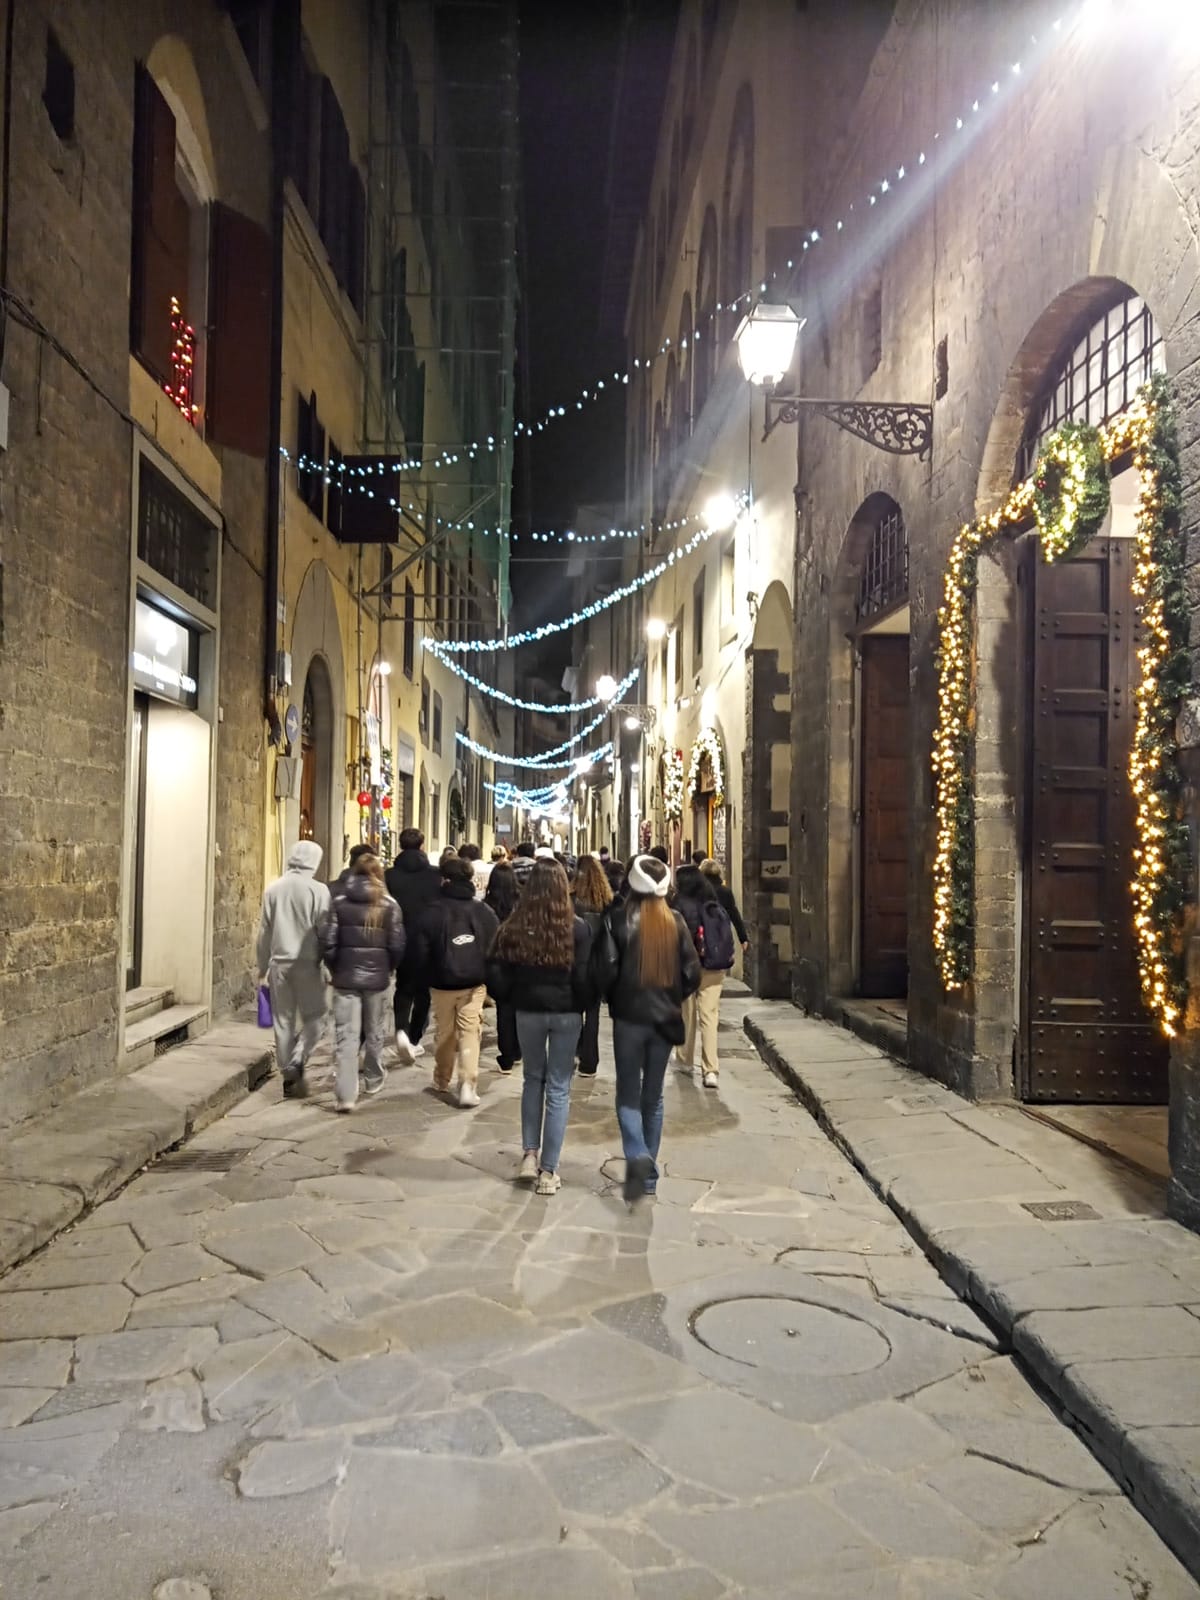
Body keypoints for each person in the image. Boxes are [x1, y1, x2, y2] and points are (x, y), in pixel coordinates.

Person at [486, 860, 593, 1196]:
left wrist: (510, 997)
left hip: (528, 1011)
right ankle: (549, 1171)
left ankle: (529, 1155)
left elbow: (496, 971)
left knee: (533, 1079)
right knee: (559, 1087)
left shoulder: (514, 926)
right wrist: (581, 1004)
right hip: (566, 1013)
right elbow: (585, 976)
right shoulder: (576, 928)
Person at [608, 855, 701, 1201]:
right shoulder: (675, 922)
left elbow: (606, 970)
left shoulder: (618, 920)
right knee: (654, 1097)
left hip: (629, 1021)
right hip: (664, 1021)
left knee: (627, 1096)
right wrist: (673, 996)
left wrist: (615, 998)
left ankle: (638, 1155)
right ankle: (647, 1179)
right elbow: (692, 973)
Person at [320, 854, 405, 1112]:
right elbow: (397, 944)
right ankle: (373, 1078)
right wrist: (388, 968)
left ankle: (346, 1095)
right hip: (377, 978)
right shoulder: (389, 904)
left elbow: (328, 942)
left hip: (345, 978)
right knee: (375, 1029)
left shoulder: (339, 902)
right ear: (379, 874)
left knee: (346, 1035)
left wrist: (336, 968)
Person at [414, 855, 499, 1107]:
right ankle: (467, 1085)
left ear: (444, 880)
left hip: (441, 982)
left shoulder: (432, 911)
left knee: (445, 1032)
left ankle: (442, 1079)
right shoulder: (483, 911)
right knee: (470, 1030)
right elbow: (495, 944)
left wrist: (423, 976)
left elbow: (420, 950)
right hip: (474, 982)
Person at [256, 840, 331, 1098]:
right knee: (316, 1018)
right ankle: (299, 1057)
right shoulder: (319, 890)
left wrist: (262, 966)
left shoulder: (273, 889)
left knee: (283, 1021)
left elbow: (264, 932)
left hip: (279, 964)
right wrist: (327, 963)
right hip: (308, 964)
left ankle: (287, 1073)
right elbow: (325, 931)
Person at [673, 862, 737, 1089]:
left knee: (687, 1015)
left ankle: (685, 1059)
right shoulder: (713, 903)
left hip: (689, 967)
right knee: (709, 1018)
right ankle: (710, 1070)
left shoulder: (679, 904)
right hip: (715, 967)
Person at [385, 827, 442, 1063]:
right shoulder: (435, 875)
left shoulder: (389, 875)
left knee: (403, 987)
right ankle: (415, 1038)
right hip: (427, 938)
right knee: (423, 991)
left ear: (400, 845)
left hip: (399, 936)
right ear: (422, 845)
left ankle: (401, 1029)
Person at [572, 854, 613, 1077]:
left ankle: (576, 1049)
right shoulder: (605, 900)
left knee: (575, 1009)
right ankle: (590, 1061)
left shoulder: (571, 898)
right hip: (598, 964)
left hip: (575, 961)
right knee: (593, 1011)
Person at [484, 861, 522, 1073]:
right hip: (519, 959)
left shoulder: (487, 905)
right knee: (519, 1006)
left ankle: (507, 1055)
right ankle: (518, 1050)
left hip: (497, 962)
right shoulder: (522, 901)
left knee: (504, 1009)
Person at [700, 858, 749, 951]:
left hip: (704, 937)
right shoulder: (725, 891)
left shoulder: (699, 891)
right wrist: (743, 938)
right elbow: (735, 916)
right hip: (721, 936)